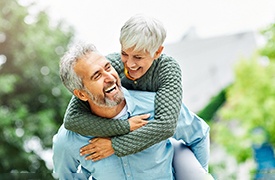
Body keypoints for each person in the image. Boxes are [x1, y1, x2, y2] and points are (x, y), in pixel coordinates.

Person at [63, 14, 209, 170]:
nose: (130, 64)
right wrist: (125, 126)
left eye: (138, 57)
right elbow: (72, 119)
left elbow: (165, 126)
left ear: (157, 52)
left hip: (179, 139)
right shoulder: (111, 66)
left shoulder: (167, 69)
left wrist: (114, 145)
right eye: (125, 53)